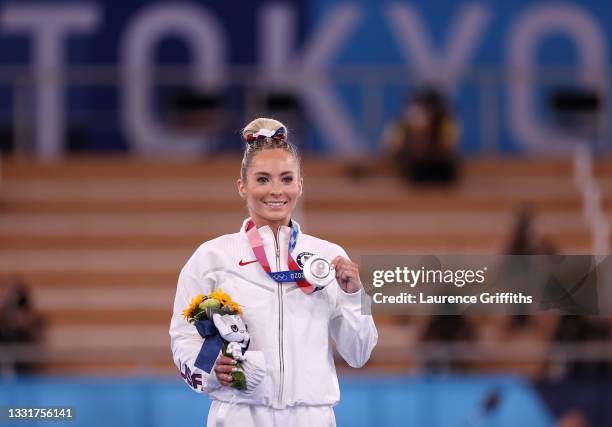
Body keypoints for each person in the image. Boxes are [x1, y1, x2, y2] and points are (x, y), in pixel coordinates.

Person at [169, 118, 378, 427]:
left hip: (313, 416)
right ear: (242, 186)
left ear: (300, 185)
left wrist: (353, 296)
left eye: (286, 178)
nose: (276, 191)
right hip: (240, 414)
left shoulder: (328, 257)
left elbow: (359, 354)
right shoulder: (212, 257)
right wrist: (213, 369)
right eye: (263, 179)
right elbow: (184, 338)